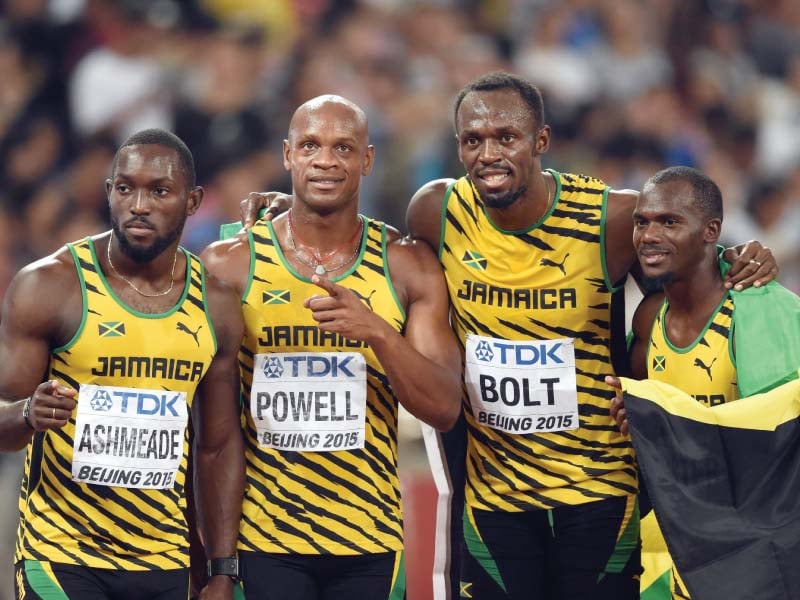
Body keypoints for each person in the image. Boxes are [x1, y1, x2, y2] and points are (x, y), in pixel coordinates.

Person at [239, 72, 777, 600]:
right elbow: (368, 243)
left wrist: (740, 256)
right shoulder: (438, 210)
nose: (488, 154)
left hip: (600, 490)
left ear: (541, 141)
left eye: (506, 137)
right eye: (473, 140)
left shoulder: (610, 218)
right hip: (493, 496)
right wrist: (297, 210)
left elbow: (689, 254)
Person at [201, 94, 462, 599]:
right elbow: (209, 428)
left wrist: (379, 334)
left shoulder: (407, 266)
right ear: (287, 155)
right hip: (263, 539)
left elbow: (445, 407)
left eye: (343, 148)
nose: (325, 160)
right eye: (310, 146)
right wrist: (216, 562)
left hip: (370, 542)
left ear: (366, 160)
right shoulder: (229, 265)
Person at [0, 128, 245, 600]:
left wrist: (221, 567)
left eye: (159, 191)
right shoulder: (50, 286)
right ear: (108, 191)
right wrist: (29, 413)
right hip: (60, 553)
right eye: (125, 187)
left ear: (192, 201)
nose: (138, 204)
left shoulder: (215, 304)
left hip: (163, 558)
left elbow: (216, 446)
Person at [607, 166, 800, 600]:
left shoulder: (758, 306)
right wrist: (634, 419)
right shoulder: (648, 319)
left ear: (711, 230)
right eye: (642, 222)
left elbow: (777, 449)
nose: (649, 235)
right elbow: (644, 429)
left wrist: (662, 422)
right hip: (679, 543)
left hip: (754, 549)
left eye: (670, 222)